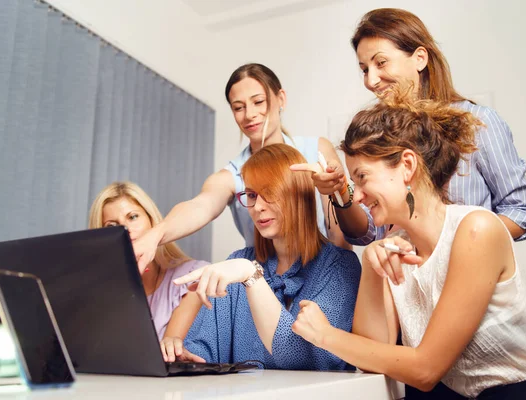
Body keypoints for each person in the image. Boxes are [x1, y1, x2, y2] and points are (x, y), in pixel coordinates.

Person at [291, 90, 526, 399]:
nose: (356, 196)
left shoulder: (477, 229)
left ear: (407, 165)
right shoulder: (392, 247)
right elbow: (373, 360)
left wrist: (326, 336)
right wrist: (371, 263)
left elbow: (425, 370)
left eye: (363, 177)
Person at [292, 8, 526, 284]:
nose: (371, 81)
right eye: (364, 69)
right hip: (404, 292)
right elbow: (367, 232)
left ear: (420, 58)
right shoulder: (379, 134)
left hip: (469, 285)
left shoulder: (478, 123)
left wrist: (448, 247)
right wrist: (341, 192)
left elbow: (523, 213)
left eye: (381, 63)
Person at [133, 63, 350, 274]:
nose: (249, 114)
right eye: (238, 107)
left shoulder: (316, 151)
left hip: (322, 273)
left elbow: (339, 230)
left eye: (258, 101)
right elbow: (199, 206)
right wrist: (156, 234)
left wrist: (336, 282)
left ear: (280, 98)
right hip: (263, 283)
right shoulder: (231, 175)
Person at [169, 144, 361, 370]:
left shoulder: (340, 267)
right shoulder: (237, 262)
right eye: (251, 195)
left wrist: (252, 277)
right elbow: (204, 351)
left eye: (269, 193)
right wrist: (182, 355)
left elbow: (304, 361)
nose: (257, 207)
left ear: (297, 194)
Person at [88, 181, 207, 362]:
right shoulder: (102, 293)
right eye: (111, 226)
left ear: (152, 221)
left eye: (133, 217)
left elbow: (167, 354)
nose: (125, 229)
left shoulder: (191, 277)